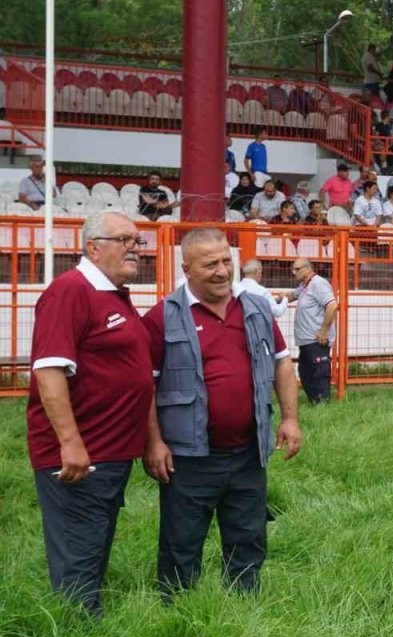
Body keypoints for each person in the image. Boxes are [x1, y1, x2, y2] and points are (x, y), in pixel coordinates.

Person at [142, 229, 302, 599]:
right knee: (181, 543)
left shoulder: (256, 309)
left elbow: (281, 363)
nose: (221, 271)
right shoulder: (161, 318)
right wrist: (153, 442)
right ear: (186, 268)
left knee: (248, 538)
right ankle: (178, 614)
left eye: (226, 261)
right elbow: (145, 386)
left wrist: (290, 418)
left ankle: (244, 607)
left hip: (248, 453)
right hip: (188, 458)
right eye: (209, 263)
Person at [27, 212, 154, 616]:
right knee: (79, 554)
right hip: (82, 457)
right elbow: (48, 370)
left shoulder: (112, 293)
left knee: (93, 544)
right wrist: (70, 443)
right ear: (93, 247)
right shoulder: (70, 291)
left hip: (109, 453)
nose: (136, 248)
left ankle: (84, 623)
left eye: (138, 241)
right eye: (125, 240)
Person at [281, 259, 338, 404]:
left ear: (307, 269)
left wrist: (324, 331)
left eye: (297, 269)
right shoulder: (305, 286)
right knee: (306, 373)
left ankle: (322, 403)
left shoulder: (318, 284)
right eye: (293, 269)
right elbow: (292, 295)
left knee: (319, 372)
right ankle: (314, 401)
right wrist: (269, 299)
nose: (293, 272)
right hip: (306, 340)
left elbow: (332, 306)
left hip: (317, 339)